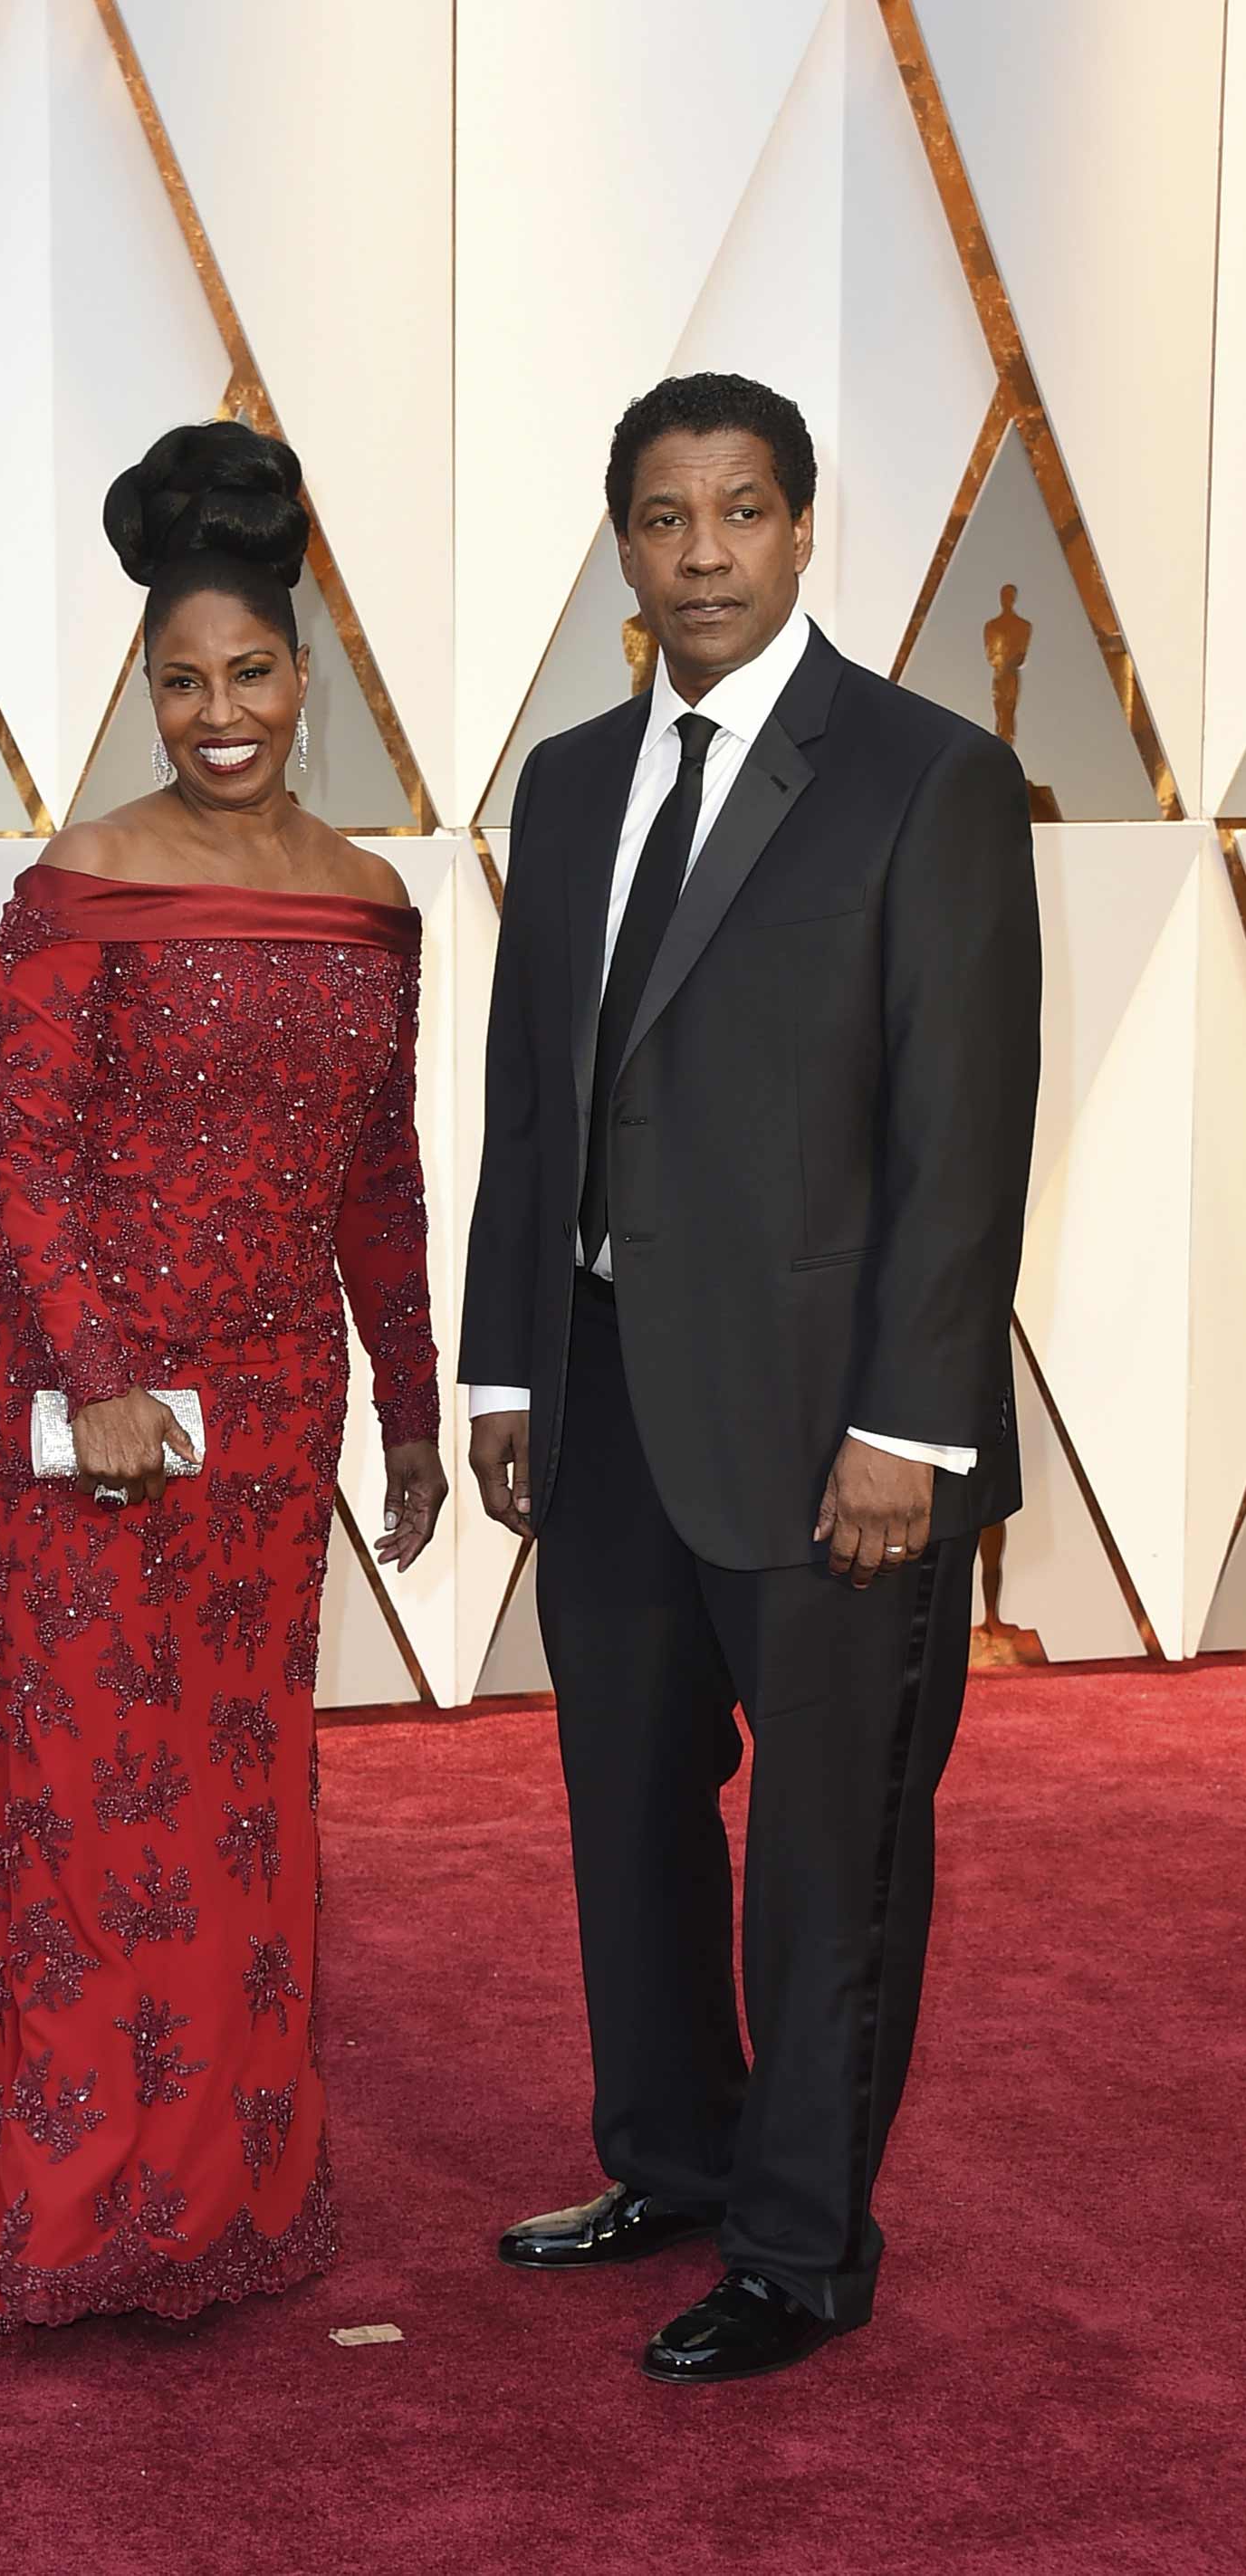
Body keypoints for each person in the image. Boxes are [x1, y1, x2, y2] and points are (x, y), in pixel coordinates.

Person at [0, 420, 446, 2361]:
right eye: (182, 681)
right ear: (149, 687)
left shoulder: (372, 899)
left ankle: (208, 2189)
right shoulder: (84, 880)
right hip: (83, 1395)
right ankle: (67, 2188)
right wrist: (109, 1377)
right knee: (92, 1798)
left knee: (232, 1795)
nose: (221, 713)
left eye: (253, 674)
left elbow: (381, 1168)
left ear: (308, 675)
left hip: (271, 1409)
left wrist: (414, 1404)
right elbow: (23, 1157)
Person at [462, 371, 1040, 2383]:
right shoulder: (559, 782)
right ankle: (675, 2161)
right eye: (660, 517)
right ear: (619, 542)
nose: (699, 553)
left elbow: (964, 1136)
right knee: (625, 1807)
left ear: (802, 530)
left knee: (827, 1848)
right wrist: (504, 1374)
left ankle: (798, 2247)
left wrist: (915, 1423)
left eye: (738, 513)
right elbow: (529, 1103)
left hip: (832, 1426)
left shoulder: (921, 777)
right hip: (601, 1391)